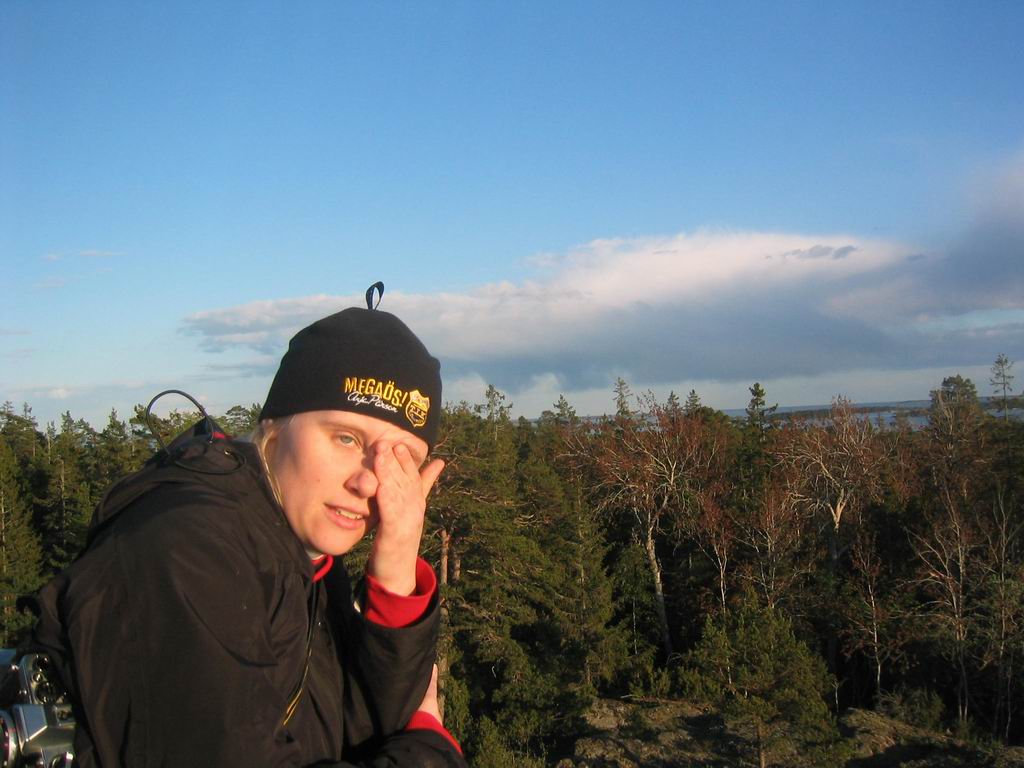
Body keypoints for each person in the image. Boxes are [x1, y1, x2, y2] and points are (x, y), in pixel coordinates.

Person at [28, 286, 467, 767]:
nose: (367, 482)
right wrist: (432, 753)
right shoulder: (188, 550)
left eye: (401, 460)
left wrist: (396, 570)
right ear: (275, 426)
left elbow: (355, 732)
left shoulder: (303, 558)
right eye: (346, 438)